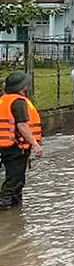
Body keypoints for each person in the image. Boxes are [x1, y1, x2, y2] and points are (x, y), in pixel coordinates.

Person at [0, 71, 43, 210]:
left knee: (17, 179)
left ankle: (15, 213)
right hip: (16, 146)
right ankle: (5, 207)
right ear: (22, 86)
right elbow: (22, 125)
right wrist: (35, 144)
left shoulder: (4, 99)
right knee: (14, 180)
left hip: (7, 145)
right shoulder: (18, 102)